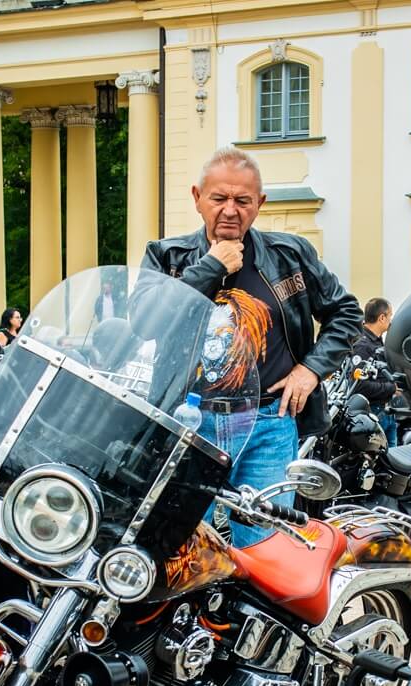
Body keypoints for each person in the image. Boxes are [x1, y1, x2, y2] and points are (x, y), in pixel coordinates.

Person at [142, 146, 362, 545]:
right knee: (180, 543)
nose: (230, 210)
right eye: (219, 198)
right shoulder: (166, 256)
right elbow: (145, 322)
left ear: (259, 204)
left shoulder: (290, 255)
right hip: (190, 424)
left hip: (269, 424)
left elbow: (346, 312)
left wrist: (311, 370)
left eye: (242, 200)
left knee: (265, 545)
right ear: (197, 198)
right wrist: (211, 266)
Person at [350, 297, 400, 444]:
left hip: (386, 411)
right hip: (373, 412)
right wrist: (391, 388)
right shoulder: (362, 345)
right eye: (390, 315)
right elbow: (359, 385)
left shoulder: (377, 342)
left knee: (393, 463)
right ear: (382, 318)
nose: (391, 320)